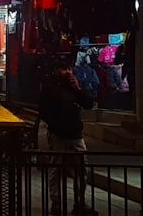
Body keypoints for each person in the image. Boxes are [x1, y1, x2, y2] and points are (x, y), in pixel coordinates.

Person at [38, 58, 97, 216]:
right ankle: (56, 203)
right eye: (63, 69)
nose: (67, 72)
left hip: (75, 134)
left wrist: (77, 88)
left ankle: (80, 202)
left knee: (81, 169)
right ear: (56, 70)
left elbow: (88, 104)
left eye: (69, 68)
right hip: (58, 134)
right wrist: (56, 125)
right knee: (56, 168)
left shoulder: (73, 86)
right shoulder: (50, 87)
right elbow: (44, 110)